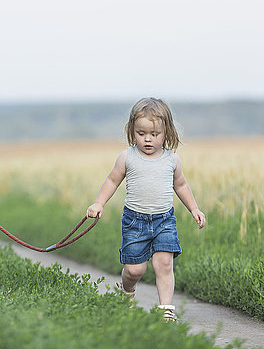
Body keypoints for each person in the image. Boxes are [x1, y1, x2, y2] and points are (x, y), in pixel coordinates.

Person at [86, 97, 206, 322]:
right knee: (135, 270)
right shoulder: (127, 157)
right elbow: (112, 181)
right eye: (141, 134)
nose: (148, 139)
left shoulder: (172, 160)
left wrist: (194, 208)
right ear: (132, 131)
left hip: (164, 221)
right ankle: (126, 290)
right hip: (135, 221)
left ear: (167, 132)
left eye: (155, 134)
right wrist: (98, 203)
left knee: (164, 263)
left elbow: (180, 185)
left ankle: (166, 310)